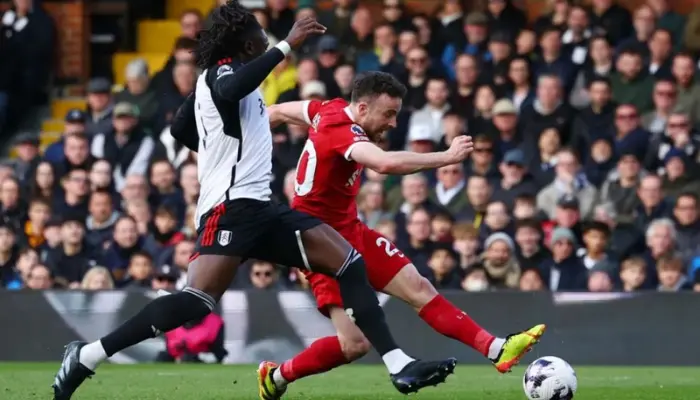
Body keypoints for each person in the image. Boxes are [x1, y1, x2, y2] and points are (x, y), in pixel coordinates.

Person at [51, 2, 455, 399]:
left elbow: (180, 127)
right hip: (231, 209)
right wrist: (286, 45)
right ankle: (86, 356)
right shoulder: (223, 73)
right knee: (195, 301)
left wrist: (220, 145)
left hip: (257, 207)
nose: (265, 38)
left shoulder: (225, 83)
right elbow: (225, 90)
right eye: (260, 34)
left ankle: (398, 364)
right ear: (246, 45)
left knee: (349, 261)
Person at [258, 71, 546, 399]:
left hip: (352, 231)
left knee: (419, 287)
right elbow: (383, 163)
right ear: (363, 109)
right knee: (353, 345)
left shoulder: (327, 109)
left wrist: (247, 136)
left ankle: (497, 349)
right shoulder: (342, 131)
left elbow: (277, 111)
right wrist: (446, 158)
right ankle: (277, 375)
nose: (393, 123)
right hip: (320, 244)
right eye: (389, 114)